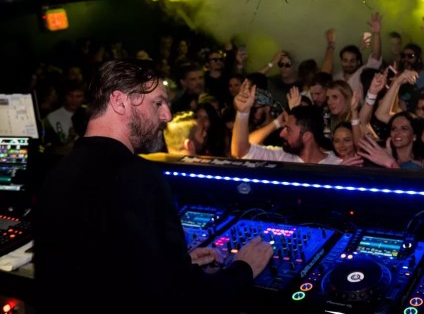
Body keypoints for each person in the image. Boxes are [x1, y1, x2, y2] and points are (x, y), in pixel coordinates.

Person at [33, 59, 273, 314]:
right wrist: (244, 269)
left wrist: (176, 264)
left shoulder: (60, 169)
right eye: (158, 103)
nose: (167, 115)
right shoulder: (137, 176)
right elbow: (181, 301)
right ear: (119, 101)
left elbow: (102, 267)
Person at [230, 81, 342, 164]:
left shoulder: (337, 163)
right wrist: (242, 113)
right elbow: (240, 152)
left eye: (288, 129)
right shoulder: (281, 156)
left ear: (307, 136)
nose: (281, 134)